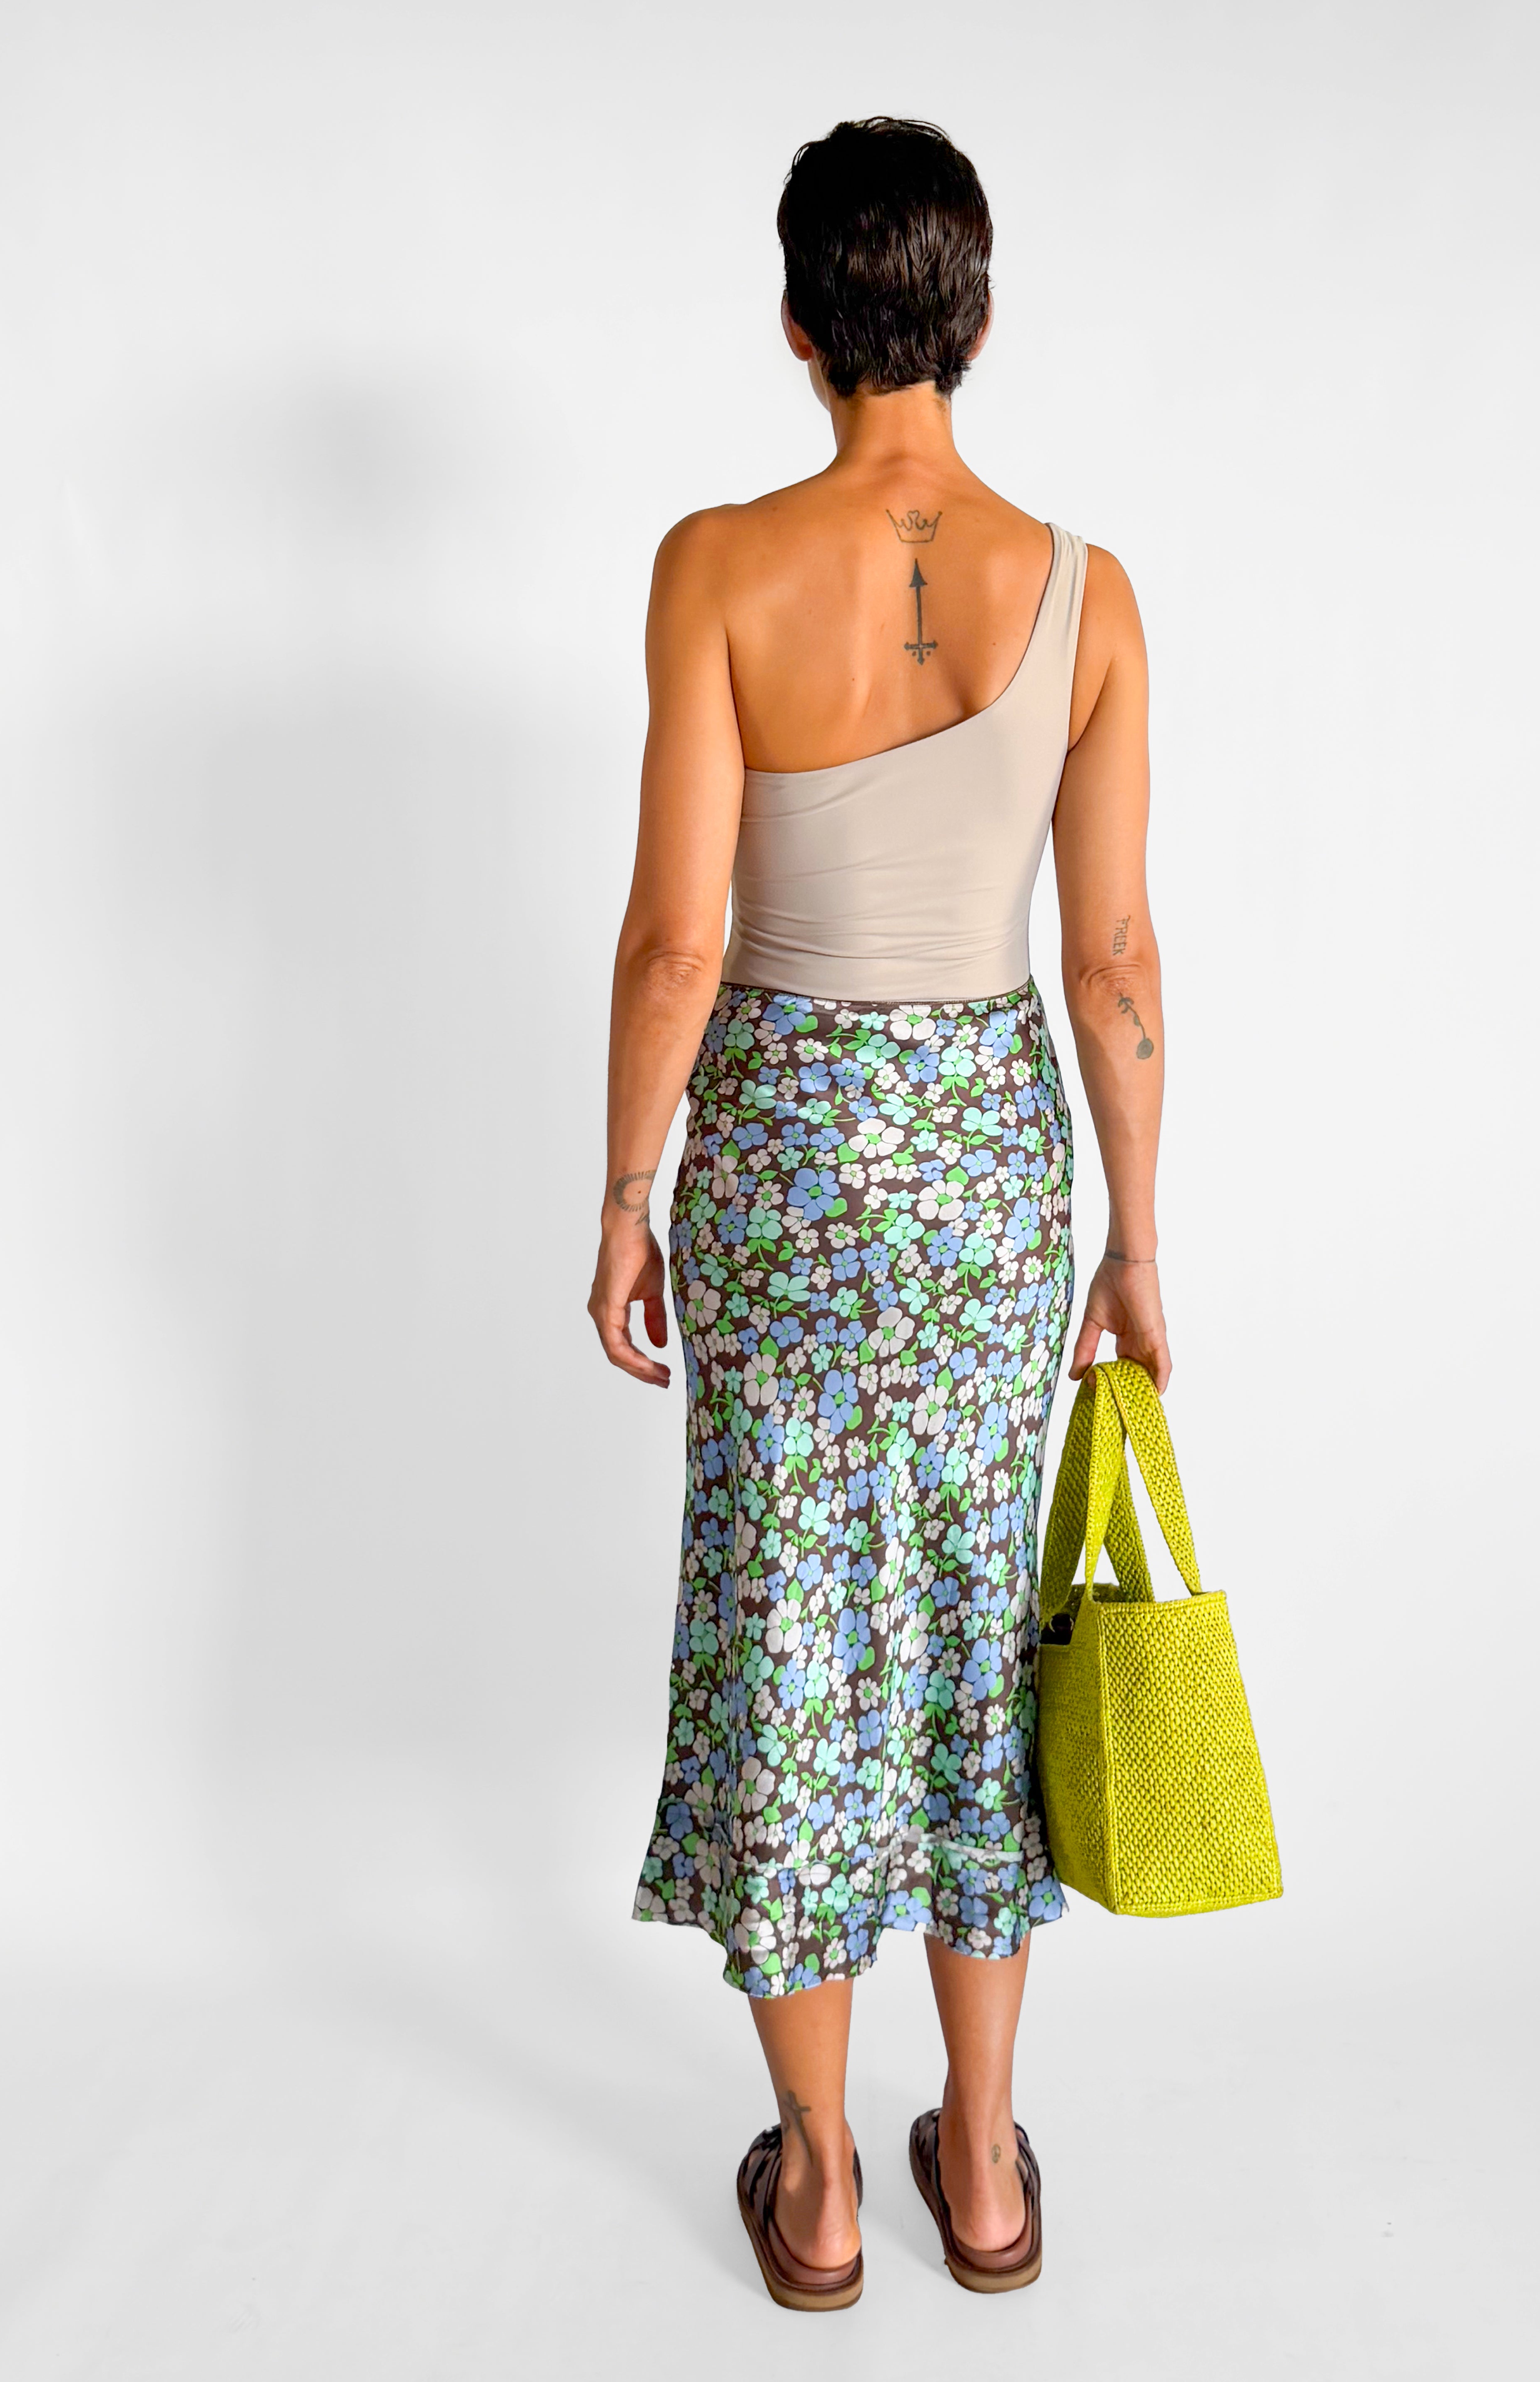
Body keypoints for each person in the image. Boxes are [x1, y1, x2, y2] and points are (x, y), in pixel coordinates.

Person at [588, 116, 1170, 2309]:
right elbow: (1112, 958)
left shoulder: (716, 569)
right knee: (968, 1627)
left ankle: (824, 2184)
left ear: (796, 327)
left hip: (784, 1148)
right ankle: (987, 2167)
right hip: (988, 1162)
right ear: (979, 318)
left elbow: (678, 939)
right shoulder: (1088, 593)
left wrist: (625, 1192)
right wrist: (1135, 1238)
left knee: (792, 1632)